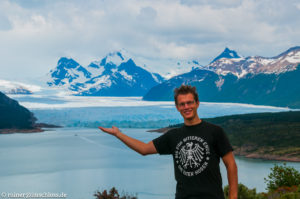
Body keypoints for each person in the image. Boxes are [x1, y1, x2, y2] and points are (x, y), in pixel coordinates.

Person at [99, 85, 238, 199]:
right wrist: (118, 134)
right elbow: (144, 149)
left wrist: (233, 197)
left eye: (189, 102)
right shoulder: (173, 136)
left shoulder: (215, 131)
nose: (186, 107)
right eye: (182, 104)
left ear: (197, 103)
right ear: (177, 107)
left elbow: (230, 164)